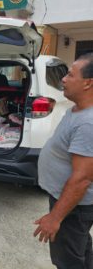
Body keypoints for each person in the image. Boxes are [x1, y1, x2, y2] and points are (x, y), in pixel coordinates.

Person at [34, 53, 93, 268]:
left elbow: (82, 179)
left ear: (88, 83)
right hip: (68, 202)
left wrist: (55, 218)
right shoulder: (77, 110)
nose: (63, 79)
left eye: (69, 74)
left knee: (67, 260)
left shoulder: (88, 123)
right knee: (80, 248)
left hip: (73, 207)